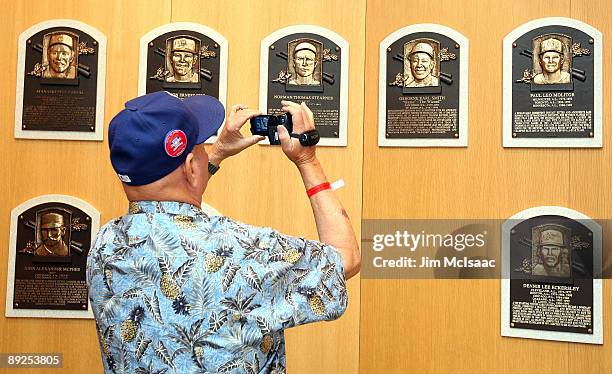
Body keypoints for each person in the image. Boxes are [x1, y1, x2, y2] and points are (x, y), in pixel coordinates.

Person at [86, 91, 360, 373]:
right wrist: (307, 161)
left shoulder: (104, 245)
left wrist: (215, 154)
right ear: (192, 167)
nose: (206, 151)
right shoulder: (243, 249)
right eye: (201, 147)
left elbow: (168, 201)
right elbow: (345, 258)